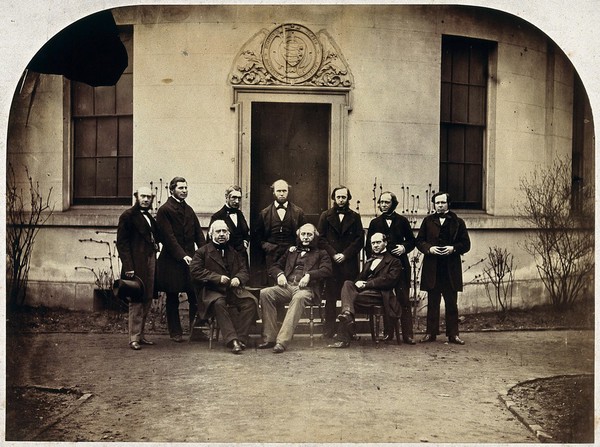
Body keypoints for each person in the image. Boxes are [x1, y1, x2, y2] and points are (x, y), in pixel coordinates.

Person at [258, 223, 332, 353]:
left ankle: (282, 342)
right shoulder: (291, 251)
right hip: (287, 286)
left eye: (309, 234)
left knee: (298, 298)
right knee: (265, 293)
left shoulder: (322, 253)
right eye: (303, 234)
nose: (306, 237)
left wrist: (309, 275)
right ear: (298, 235)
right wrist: (280, 274)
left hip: (306, 290)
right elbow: (274, 266)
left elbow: (327, 270)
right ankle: (269, 338)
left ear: (315, 236)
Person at [189, 220, 258, 354]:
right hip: (211, 291)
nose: (221, 234)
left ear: (228, 234)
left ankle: (241, 338)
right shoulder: (202, 252)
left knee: (250, 302)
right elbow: (195, 271)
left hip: (231, 291)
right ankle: (232, 341)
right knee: (219, 303)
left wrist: (238, 278)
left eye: (224, 231)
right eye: (218, 231)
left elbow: (244, 270)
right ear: (211, 233)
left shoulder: (233, 252)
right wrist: (217, 278)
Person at [329, 232, 403, 349]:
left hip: (381, 295)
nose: (375, 245)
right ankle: (348, 314)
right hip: (365, 295)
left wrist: (367, 284)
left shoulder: (395, 261)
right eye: (373, 243)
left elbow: (389, 280)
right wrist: (358, 283)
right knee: (348, 284)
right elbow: (360, 278)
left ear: (385, 243)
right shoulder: (369, 261)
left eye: (378, 242)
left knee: (348, 300)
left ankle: (344, 339)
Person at [416, 191, 471, 345]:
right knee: (432, 303)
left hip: (450, 269)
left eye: (443, 203)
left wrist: (453, 248)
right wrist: (429, 249)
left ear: (448, 203)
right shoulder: (427, 221)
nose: (440, 206)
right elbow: (419, 241)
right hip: (433, 268)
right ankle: (430, 333)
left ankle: (453, 335)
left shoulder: (458, 222)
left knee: (451, 303)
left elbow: (466, 244)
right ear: (434, 204)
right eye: (437, 203)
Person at [156, 176, 207, 342]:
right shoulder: (165, 210)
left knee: (194, 295)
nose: (184, 190)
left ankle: (196, 331)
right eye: (181, 188)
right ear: (172, 190)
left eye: (186, 188)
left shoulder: (189, 209)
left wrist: (206, 253)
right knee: (172, 297)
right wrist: (182, 255)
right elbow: (168, 238)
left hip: (190, 260)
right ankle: (175, 332)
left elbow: (198, 234)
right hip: (172, 261)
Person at [366, 191, 417, 344]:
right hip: (383, 267)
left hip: (400, 264)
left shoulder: (402, 221)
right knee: (386, 297)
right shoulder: (375, 223)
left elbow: (412, 241)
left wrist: (404, 248)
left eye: (387, 202)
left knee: (403, 299)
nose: (383, 205)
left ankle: (408, 334)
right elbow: (368, 246)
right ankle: (388, 333)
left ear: (393, 204)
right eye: (381, 202)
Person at [116, 186, 160, 350]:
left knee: (147, 298)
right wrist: (128, 267)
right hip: (135, 265)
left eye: (149, 197)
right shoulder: (127, 216)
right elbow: (122, 244)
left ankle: (141, 335)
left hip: (150, 261)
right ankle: (133, 338)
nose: (146, 199)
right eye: (143, 196)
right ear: (136, 197)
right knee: (136, 299)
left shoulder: (149, 217)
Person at [317, 186, 364, 338]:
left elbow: (359, 240)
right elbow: (321, 239)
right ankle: (329, 329)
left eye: (344, 197)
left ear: (348, 198)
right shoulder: (325, 216)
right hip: (331, 263)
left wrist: (345, 254)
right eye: (338, 197)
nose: (341, 200)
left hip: (349, 263)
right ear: (334, 198)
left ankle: (349, 329)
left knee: (349, 296)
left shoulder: (355, 217)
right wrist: (333, 254)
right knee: (330, 297)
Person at [254, 179, 306, 282]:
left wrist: (296, 247)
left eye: (284, 191)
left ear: (288, 192)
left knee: (291, 282)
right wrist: (267, 246)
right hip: (272, 255)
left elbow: (304, 233)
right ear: (273, 192)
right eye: (279, 191)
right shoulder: (264, 213)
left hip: (292, 253)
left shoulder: (298, 212)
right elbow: (257, 237)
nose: (281, 194)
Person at [209, 185, 250, 258]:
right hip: (226, 258)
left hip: (242, 257)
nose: (237, 201)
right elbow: (211, 240)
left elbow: (246, 232)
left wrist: (245, 242)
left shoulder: (240, 214)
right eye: (234, 198)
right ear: (226, 197)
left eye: (239, 198)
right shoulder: (218, 216)